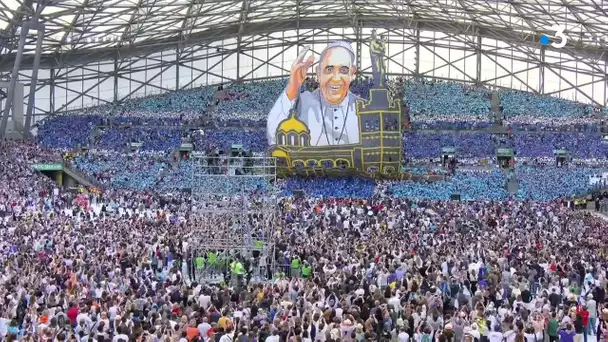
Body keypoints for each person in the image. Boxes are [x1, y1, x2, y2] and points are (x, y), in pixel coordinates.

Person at [267, 42, 361, 146]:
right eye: (329, 69)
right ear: (318, 73)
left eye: (343, 70)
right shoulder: (302, 103)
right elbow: (273, 135)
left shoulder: (364, 108)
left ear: (352, 74)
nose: (335, 78)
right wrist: (293, 87)